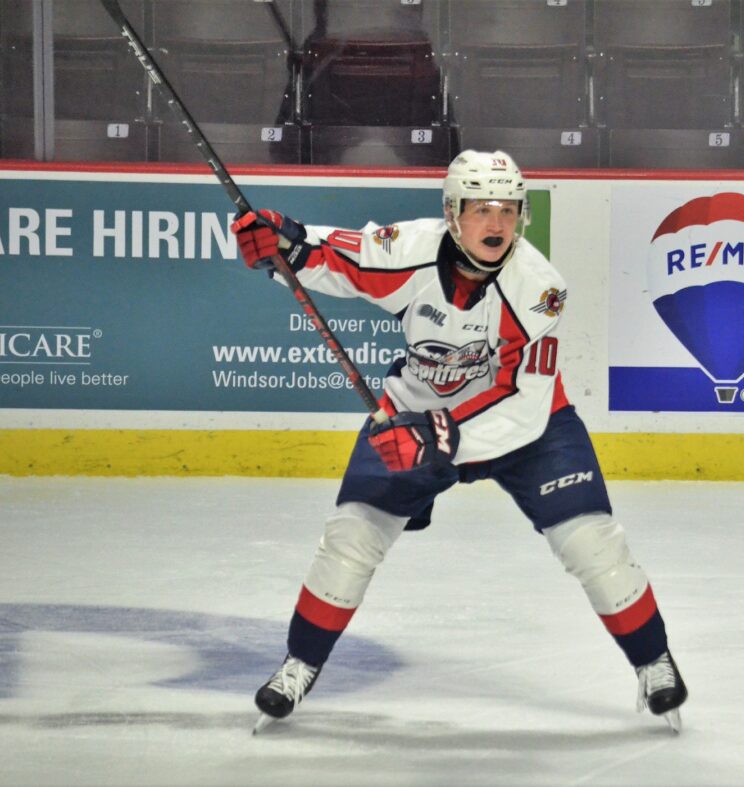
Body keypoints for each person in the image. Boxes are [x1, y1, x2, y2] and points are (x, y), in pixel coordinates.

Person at [232, 150, 687, 734]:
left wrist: (438, 436)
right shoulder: (410, 249)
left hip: (529, 429)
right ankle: (298, 664)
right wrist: (285, 246)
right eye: (480, 209)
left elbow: (520, 401)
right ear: (452, 214)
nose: (496, 224)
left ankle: (654, 660)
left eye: (508, 210)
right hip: (416, 412)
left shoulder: (539, 288)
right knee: (351, 539)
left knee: (593, 543)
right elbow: (339, 255)